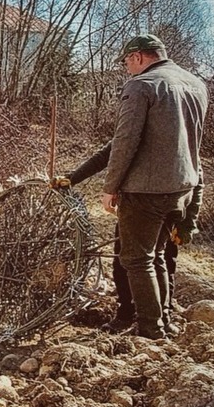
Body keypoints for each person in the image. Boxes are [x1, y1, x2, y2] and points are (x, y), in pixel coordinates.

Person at [101, 33, 207, 340]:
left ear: (138, 57)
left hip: (145, 190)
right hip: (181, 187)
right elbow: (194, 143)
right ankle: (164, 321)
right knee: (157, 256)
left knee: (136, 259)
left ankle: (150, 330)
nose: (126, 69)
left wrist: (111, 188)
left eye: (125, 62)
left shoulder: (141, 85)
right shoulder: (196, 84)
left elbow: (125, 142)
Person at [55, 141, 201, 334]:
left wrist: (188, 223)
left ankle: (159, 320)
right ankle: (128, 314)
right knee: (128, 259)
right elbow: (110, 152)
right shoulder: (140, 127)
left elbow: (197, 175)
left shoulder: (179, 132)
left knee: (159, 259)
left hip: (167, 204)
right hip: (137, 202)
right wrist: (73, 177)